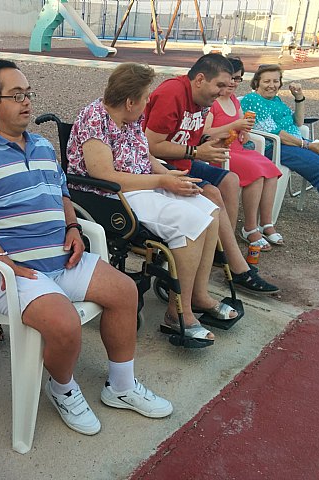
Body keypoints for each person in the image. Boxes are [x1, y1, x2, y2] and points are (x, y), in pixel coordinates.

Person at [0, 59, 172, 436]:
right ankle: (62, 388)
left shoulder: (43, 146)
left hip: (61, 258)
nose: (27, 102)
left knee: (125, 291)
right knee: (65, 323)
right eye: (16, 95)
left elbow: (61, 192)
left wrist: (73, 226)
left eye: (28, 93)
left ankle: (121, 386)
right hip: (5, 272)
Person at [67, 62, 238, 342]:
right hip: (112, 195)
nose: (148, 103)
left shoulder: (129, 117)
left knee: (209, 209)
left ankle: (197, 295)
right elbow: (104, 175)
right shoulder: (95, 118)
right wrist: (161, 181)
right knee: (190, 221)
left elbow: (144, 155)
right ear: (130, 101)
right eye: (146, 97)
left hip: (143, 185)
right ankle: (177, 314)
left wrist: (169, 175)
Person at [143, 53, 279, 294]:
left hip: (183, 158)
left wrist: (211, 142)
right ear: (200, 79)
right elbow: (150, 146)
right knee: (212, 193)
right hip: (160, 163)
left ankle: (221, 250)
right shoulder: (172, 93)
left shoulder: (203, 99)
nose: (224, 91)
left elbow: (191, 135)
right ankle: (237, 267)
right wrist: (196, 152)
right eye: (220, 85)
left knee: (230, 180)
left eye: (229, 84)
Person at [240, 64, 319, 218]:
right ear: (256, 83)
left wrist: (299, 98)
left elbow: (298, 122)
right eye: (267, 81)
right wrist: (308, 145)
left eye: (276, 81)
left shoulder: (276, 100)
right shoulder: (253, 100)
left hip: (297, 143)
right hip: (275, 147)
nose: (272, 85)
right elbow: (276, 133)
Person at [203, 56, 283, 249]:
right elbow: (205, 133)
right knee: (256, 172)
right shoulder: (212, 102)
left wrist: (244, 131)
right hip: (219, 151)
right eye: (231, 77)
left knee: (271, 170)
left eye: (237, 78)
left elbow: (242, 127)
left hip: (237, 149)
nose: (233, 82)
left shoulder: (233, 100)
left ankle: (266, 223)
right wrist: (235, 125)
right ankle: (249, 228)